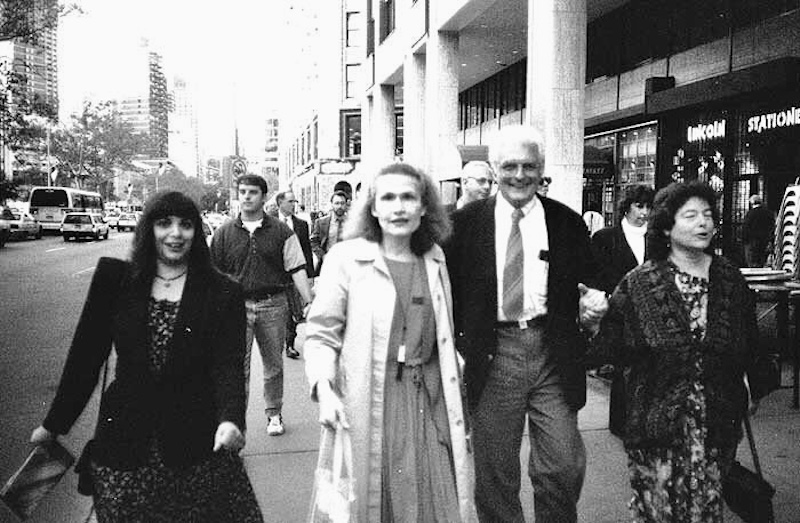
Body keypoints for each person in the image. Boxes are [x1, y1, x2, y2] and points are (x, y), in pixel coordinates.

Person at [29, 191, 262, 522]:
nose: (175, 234)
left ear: (197, 233)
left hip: (195, 443)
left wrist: (230, 420)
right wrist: (54, 425)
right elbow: (85, 359)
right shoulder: (116, 281)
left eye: (186, 225)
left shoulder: (222, 291)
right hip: (125, 442)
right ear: (148, 229)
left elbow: (226, 366)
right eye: (164, 223)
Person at [587, 181, 778, 521]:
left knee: (705, 507)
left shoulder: (729, 278)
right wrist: (593, 321)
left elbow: (749, 342)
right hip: (654, 424)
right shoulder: (639, 283)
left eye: (708, 215)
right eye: (690, 215)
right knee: (658, 510)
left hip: (716, 422)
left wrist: (751, 385)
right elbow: (608, 349)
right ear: (666, 225)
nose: (703, 223)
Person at [445, 125, 608, 522]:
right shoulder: (464, 225)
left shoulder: (567, 223)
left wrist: (593, 307)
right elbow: (447, 293)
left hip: (551, 351)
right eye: (510, 166)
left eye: (529, 166)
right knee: (495, 471)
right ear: (494, 170)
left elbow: (592, 284)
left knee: (562, 465)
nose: (520, 175)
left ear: (542, 169)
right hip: (492, 353)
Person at [304, 163, 478, 522]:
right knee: (371, 502)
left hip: (428, 404)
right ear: (373, 207)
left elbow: (443, 331)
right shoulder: (345, 259)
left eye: (408, 198)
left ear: (425, 206)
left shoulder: (435, 258)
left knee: (436, 502)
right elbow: (321, 333)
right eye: (388, 198)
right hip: (368, 400)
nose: (398, 208)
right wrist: (324, 387)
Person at [210, 175, 313, 437]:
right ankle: (236, 424)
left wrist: (311, 302)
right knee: (236, 368)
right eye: (242, 191)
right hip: (236, 309)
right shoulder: (224, 233)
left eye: (252, 192)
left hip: (273, 305)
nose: (246, 196)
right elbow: (213, 275)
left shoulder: (282, 232)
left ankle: (274, 414)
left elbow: (297, 268)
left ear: (264, 197)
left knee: (273, 366)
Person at [590, 183, 655, 437]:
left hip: (650, 310)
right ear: (626, 207)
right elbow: (596, 273)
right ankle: (621, 422)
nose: (644, 212)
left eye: (649, 207)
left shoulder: (658, 238)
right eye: (639, 206)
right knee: (623, 365)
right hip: (619, 311)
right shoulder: (605, 238)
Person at [276, 190, 315, 360]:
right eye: (290, 201)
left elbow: (306, 250)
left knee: (293, 310)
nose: (293, 204)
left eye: (294, 201)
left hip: (295, 275)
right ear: (280, 204)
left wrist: (310, 274)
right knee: (280, 311)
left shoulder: (302, 225)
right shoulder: (270, 223)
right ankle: (279, 342)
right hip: (276, 276)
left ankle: (290, 344)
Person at [309, 190, 348, 275]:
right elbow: (313, 242)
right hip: (327, 265)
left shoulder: (353, 223)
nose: (340, 206)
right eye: (337, 203)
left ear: (346, 204)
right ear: (332, 204)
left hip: (348, 266)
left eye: (342, 203)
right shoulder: (321, 222)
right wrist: (322, 256)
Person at [742, 193, 776, 268]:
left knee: (752, 261)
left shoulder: (750, 214)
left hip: (752, 241)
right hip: (764, 241)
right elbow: (772, 227)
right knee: (761, 261)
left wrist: (744, 239)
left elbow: (746, 228)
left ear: (752, 203)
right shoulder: (768, 213)